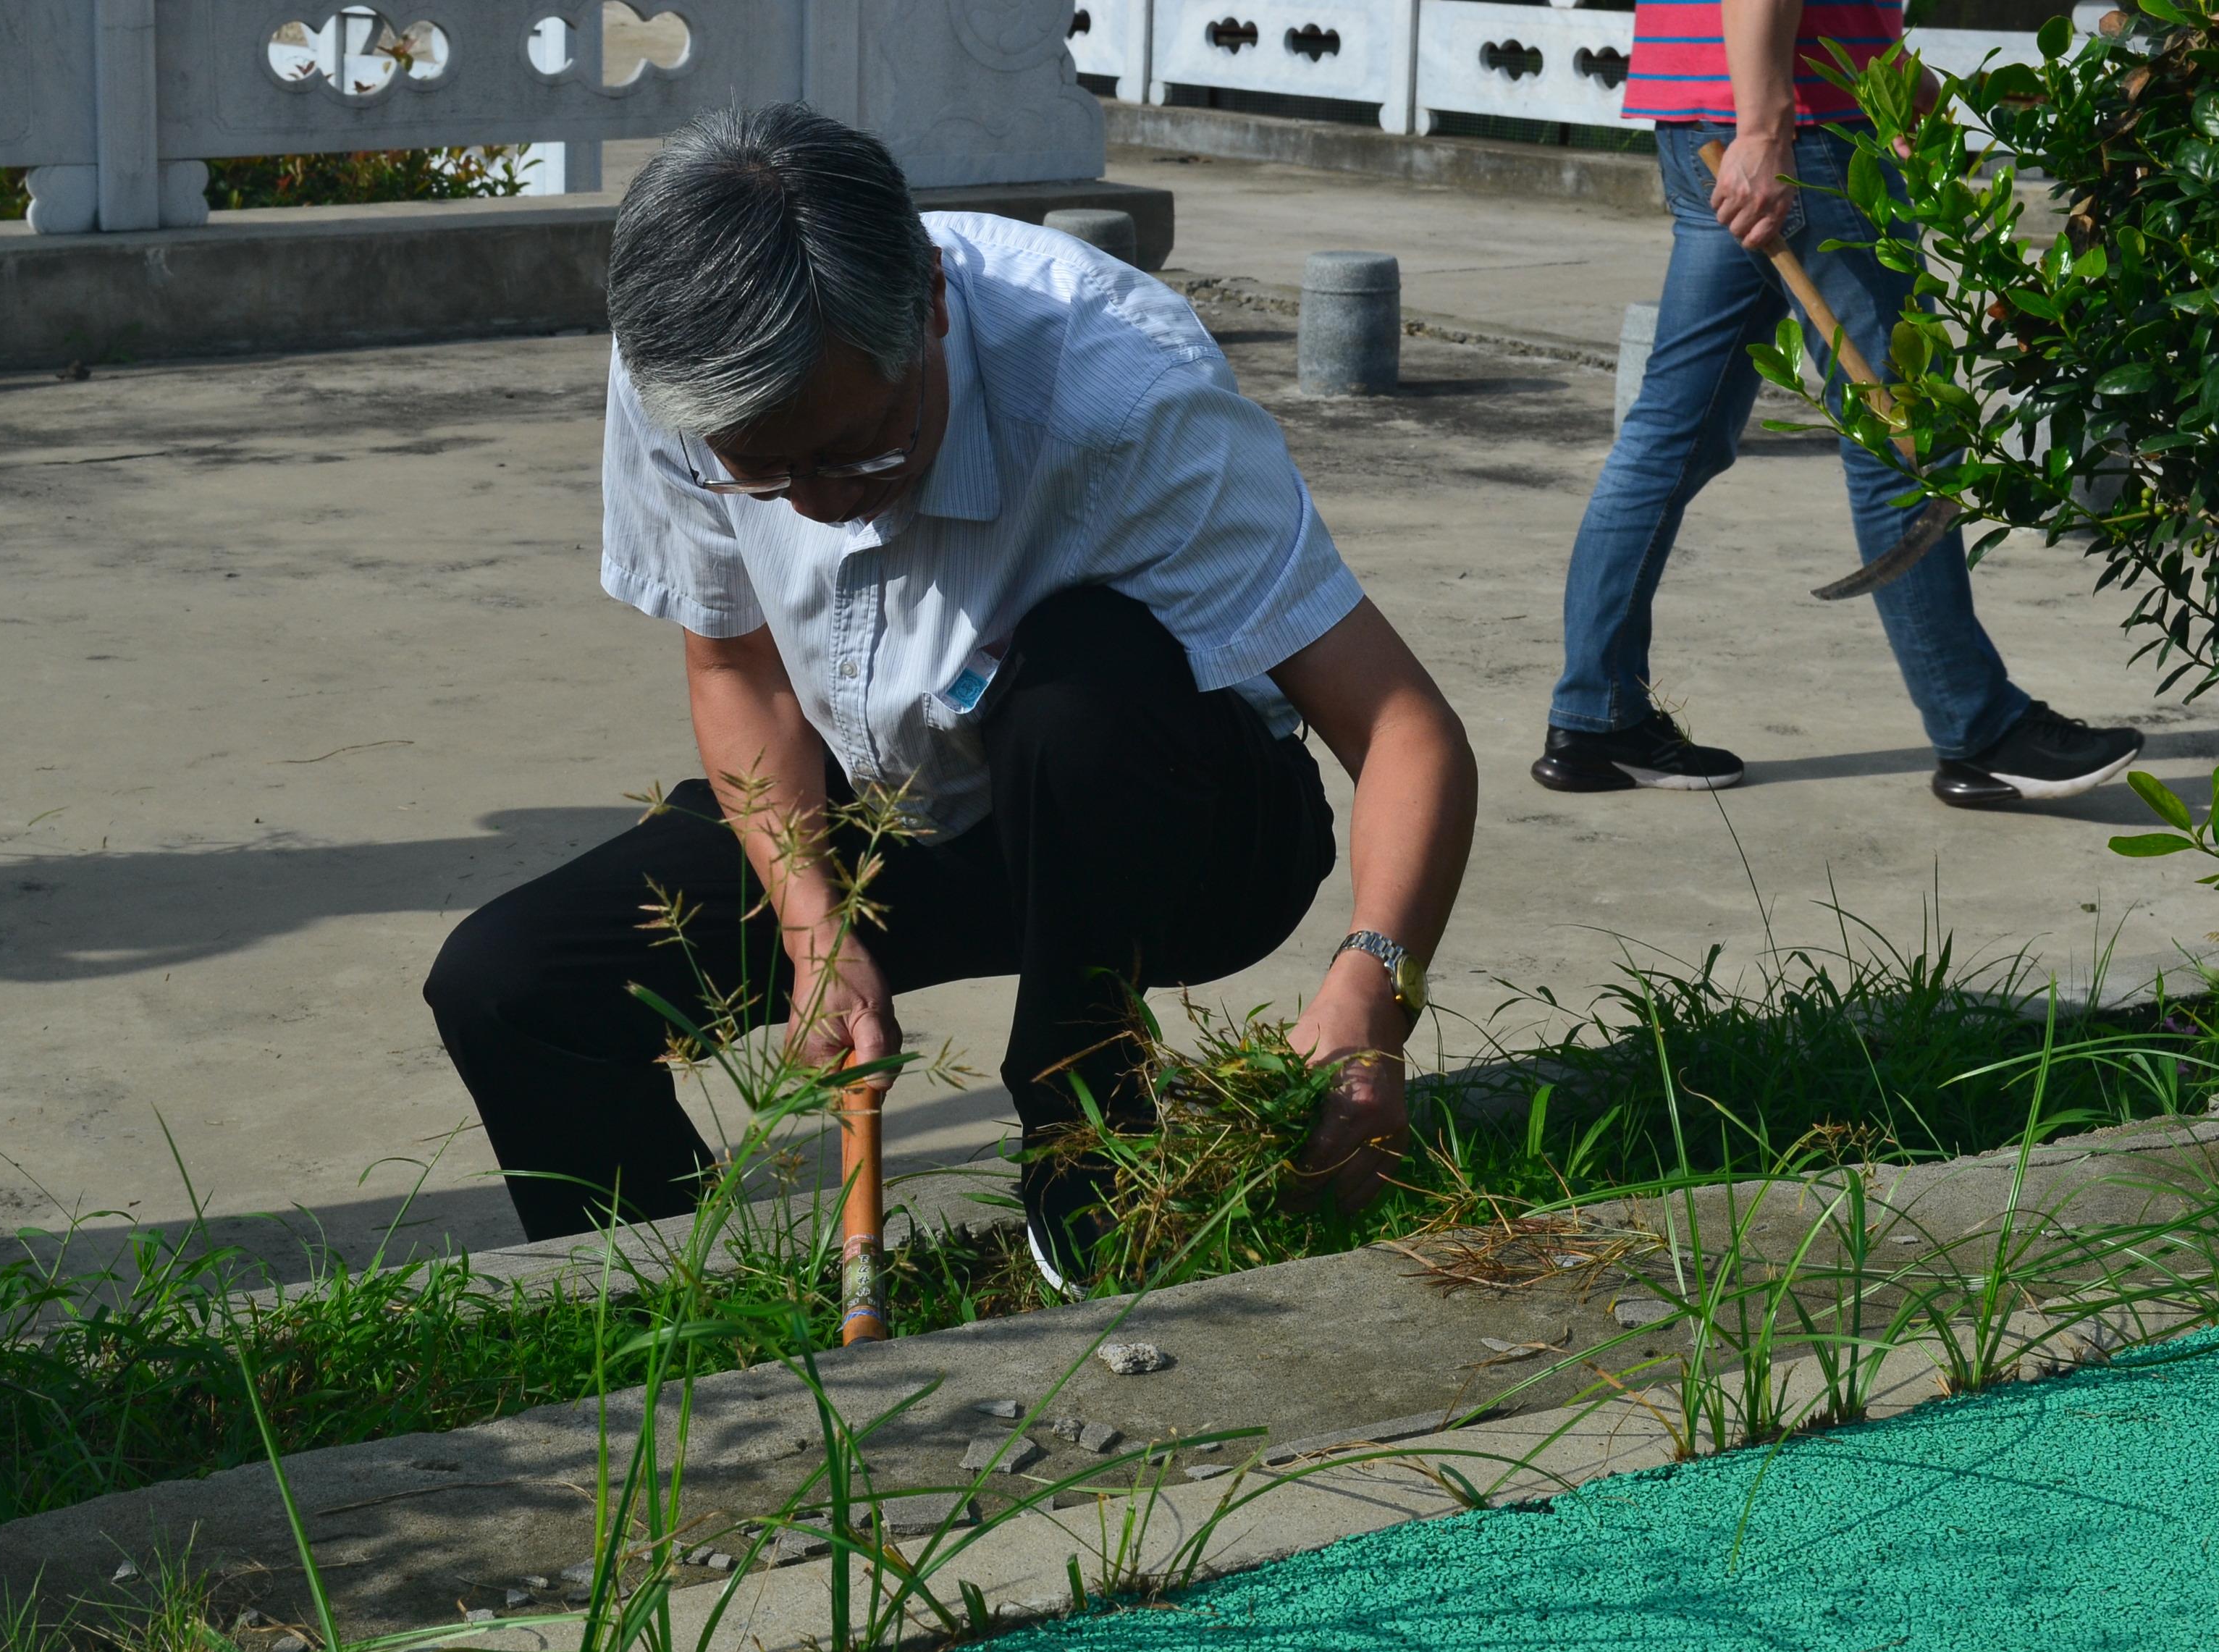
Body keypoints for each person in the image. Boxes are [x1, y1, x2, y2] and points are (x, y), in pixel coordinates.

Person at [423, 104, 1476, 1288]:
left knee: (1082, 673)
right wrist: (814, 915)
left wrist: (1374, 990)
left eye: (858, 448)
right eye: (765, 473)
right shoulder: (684, 358)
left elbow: (1404, 728)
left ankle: (1083, 1118)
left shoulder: (1120, 394)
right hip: (896, 796)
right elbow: (736, 662)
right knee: (511, 985)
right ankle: (688, 1304)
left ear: (929, 303)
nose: (814, 503)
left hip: (1172, 824)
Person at [1535, 0, 2141, 808]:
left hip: (1705, 114)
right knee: (1903, 433)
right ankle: (1981, 730)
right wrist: (1765, 124)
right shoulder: (1778, 127)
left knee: (1674, 432)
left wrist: (1902, 89)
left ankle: (1596, 718)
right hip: (1792, 133)